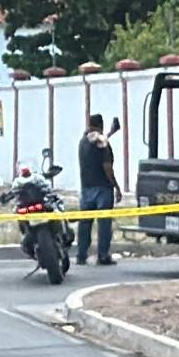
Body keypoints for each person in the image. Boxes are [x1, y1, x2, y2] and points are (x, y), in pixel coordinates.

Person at [76, 114, 119, 266]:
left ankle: (81, 255)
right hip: (102, 188)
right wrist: (116, 186)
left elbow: (98, 140)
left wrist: (111, 132)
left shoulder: (83, 142)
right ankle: (103, 255)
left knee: (85, 224)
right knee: (104, 224)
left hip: (86, 188)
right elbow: (107, 166)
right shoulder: (102, 144)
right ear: (100, 124)